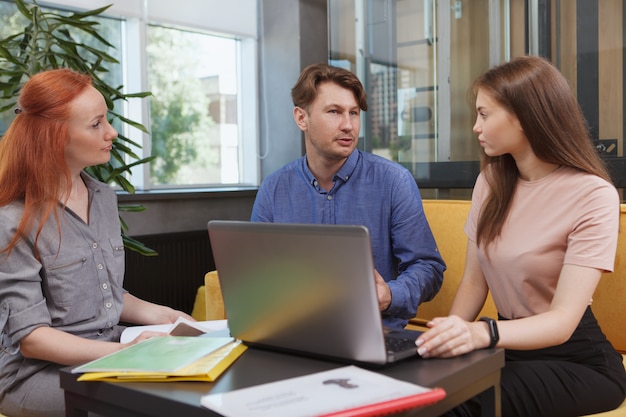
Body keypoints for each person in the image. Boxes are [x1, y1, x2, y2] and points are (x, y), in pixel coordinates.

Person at [414, 55, 626, 417]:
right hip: (508, 347)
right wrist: (448, 338)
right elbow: (472, 282)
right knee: (413, 391)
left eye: (484, 114)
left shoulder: (594, 195)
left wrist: (483, 334)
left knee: (453, 404)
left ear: (524, 116)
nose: (476, 127)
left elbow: (561, 322)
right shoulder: (491, 182)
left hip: (577, 362)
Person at [0, 68, 194, 417]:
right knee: (155, 405)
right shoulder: (11, 219)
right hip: (35, 376)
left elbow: (103, 295)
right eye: (96, 124)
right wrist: (128, 352)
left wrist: (162, 315)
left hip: (107, 350)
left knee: (192, 386)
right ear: (56, 136)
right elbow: (32, 339)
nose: (112, 133)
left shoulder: (102, 196)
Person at [251, 63, 446, 329]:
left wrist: (389, 294)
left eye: (353, 113)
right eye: (334, 112)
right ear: (301, 118)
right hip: (297, 331)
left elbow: (428, 268)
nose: (348, 125)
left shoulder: (393, 181)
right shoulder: (273, 189)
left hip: (375, 333)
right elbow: (257, 276)